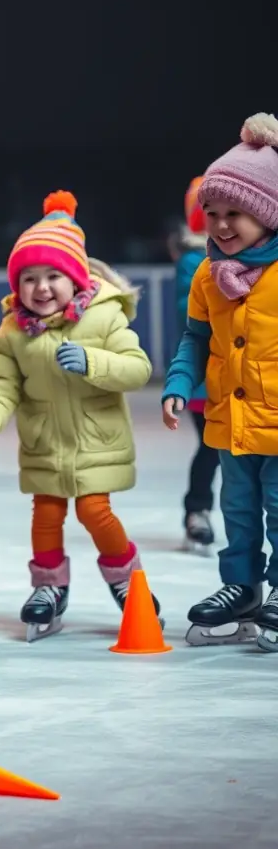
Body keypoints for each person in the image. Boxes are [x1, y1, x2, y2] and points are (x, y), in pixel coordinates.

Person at [0, 192, 158, 641]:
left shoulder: (105, 319)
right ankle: (48, 589)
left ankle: (128, 581)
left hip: (97, 443)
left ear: (76, 279)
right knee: (46, 515)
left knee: (95, 511)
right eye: (29, 278)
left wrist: (93, 362)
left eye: (53, 275)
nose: (41, 287)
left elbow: (138, 370)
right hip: (46, 445)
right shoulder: (13, 332)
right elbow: (2, 387)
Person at [163, 113, 278, 652]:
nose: (222, 225)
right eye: (213, 214)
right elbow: (194, 339)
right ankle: (241, 586)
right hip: (228, 421)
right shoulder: (208, 276)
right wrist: (178, 385)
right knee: (236, 509)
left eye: (236, 213)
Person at [174, 175, 218, 553]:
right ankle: (197, 510)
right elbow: (189, 316)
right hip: (206, 381)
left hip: (247, 375)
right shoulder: (194, 261)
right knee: (212, 445)